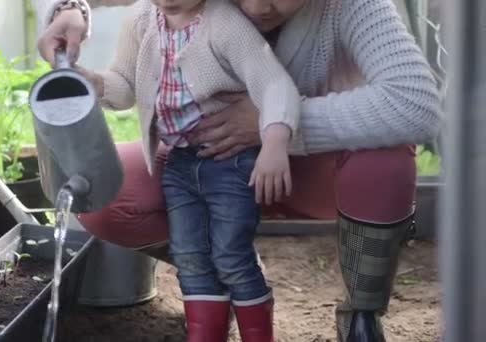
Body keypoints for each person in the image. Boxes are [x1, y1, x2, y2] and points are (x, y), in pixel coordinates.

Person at [35, 0, 442, 341]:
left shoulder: (352, 6)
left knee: (384, 163)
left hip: (314, 173)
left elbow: (415, 103)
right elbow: (122, 74)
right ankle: (218, 280)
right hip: (204, 163)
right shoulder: (171, 14)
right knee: (107, 194)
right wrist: (71, 10)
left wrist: (272, 126)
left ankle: (362, 313)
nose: (258, 6)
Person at [71, 0, 301, 340]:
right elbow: (125, 85)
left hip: (229, 160)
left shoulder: (223, 23)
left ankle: (258, 332)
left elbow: (274, 84)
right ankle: (205, 332)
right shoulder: (143, 21)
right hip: (179, 161)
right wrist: (98, 83)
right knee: (189, 252)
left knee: (230, 252)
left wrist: (275, 141)